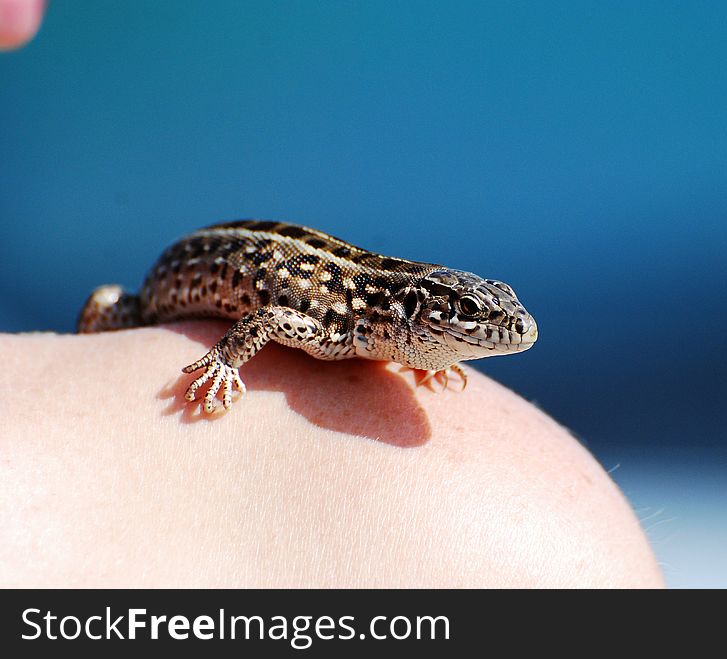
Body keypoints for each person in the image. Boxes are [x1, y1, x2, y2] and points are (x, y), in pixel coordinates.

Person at [0, 2, 662, 587]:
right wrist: (225, 361)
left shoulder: (382, 331)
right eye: (466, 316)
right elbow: (270, 315)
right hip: (176, 279)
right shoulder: (340, 324)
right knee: (112, 305)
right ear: (415, 309)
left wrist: (427, 357)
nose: (498, 329)